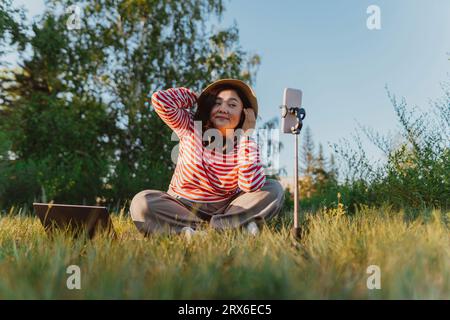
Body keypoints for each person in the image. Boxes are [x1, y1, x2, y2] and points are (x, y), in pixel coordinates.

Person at [129, 79, 284, 237]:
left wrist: (245, 136)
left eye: (232, 105)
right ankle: (224, 231)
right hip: (182, 206)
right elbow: (161, 101)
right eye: (217, 103)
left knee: (273, 188)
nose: (223, 109)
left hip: (227, 209)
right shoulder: (189, 125)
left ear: (243, 114)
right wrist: (199, 98)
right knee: (142, 202)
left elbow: (250, 185)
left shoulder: (246, 144)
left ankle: (206, 230)